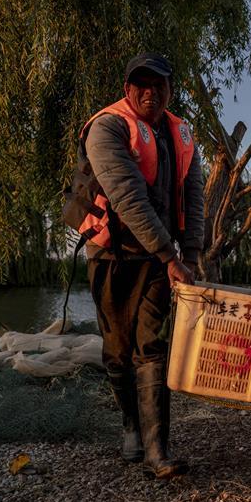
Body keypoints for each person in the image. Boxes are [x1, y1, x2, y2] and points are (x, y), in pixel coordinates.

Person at [63, 53, 204, 478]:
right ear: (128, 90)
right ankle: (130, 426)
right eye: (141, 84)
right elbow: (127, 196)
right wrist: (170, 256)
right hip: (112, 255)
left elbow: (194, 198)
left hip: (157, 260)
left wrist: (189, 256)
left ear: (169, 90)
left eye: (159, 84)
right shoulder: (106, 127)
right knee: (117, 350)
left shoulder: (182, 134)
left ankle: (157, 451)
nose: (150, 92)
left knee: (152, 346)